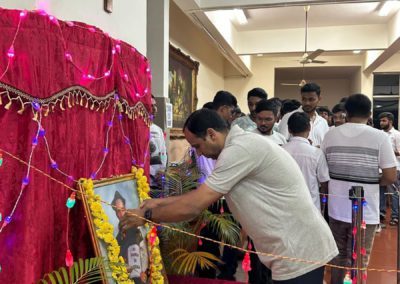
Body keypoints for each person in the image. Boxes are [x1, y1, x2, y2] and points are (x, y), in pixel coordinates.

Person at [121, 109, 338, 283]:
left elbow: (195, 205)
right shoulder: (237, 146)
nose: (198, 153)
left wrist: (148, 214)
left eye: (198, 145)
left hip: (299, 251)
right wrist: (158, 202)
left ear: (212, 134)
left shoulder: (240, 149)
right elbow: (200, 194)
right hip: (291, 250)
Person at [321, 94, 397, 284]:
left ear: (346, 112)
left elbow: (322, 170)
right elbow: (390, 176)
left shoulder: (330, 134)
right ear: (370, 113)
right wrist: (369, 182)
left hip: (336, 207)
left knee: (338, 256)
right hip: (365, 209)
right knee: (359, 257)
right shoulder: (379, 137)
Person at [283, 112, 330, 211]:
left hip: (285, 205)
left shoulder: (280, 150)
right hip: (311, 206)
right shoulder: (316, 153)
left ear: (289, 129)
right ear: (309, 128)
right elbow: (324, 184)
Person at [111, 191, 149, 283]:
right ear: (116, 213)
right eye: (118, 211)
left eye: (122, 209)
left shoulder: (137, 227)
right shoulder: (117, 238)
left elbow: (145, 250)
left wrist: (144, 271)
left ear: (126, 208)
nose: (121, 214)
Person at [379, 112, 400, 226]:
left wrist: (390, 152)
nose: (381, 123)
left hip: (394, 168)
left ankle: (395, 216)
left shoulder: (397, 134)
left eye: (384, 121)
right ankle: (381, 213)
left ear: (390, 122)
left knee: (393, 193)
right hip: (381, 169)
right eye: (381, 121)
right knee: (381, 192)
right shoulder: (379, 134)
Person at [149, 95, 167, 189]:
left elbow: (163, 153)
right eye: (151, 106)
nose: (154, 109)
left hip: (159, 180)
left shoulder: (158, 129)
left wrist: (162, 170)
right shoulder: (138, 130)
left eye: (155, 106)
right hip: (146, 178)